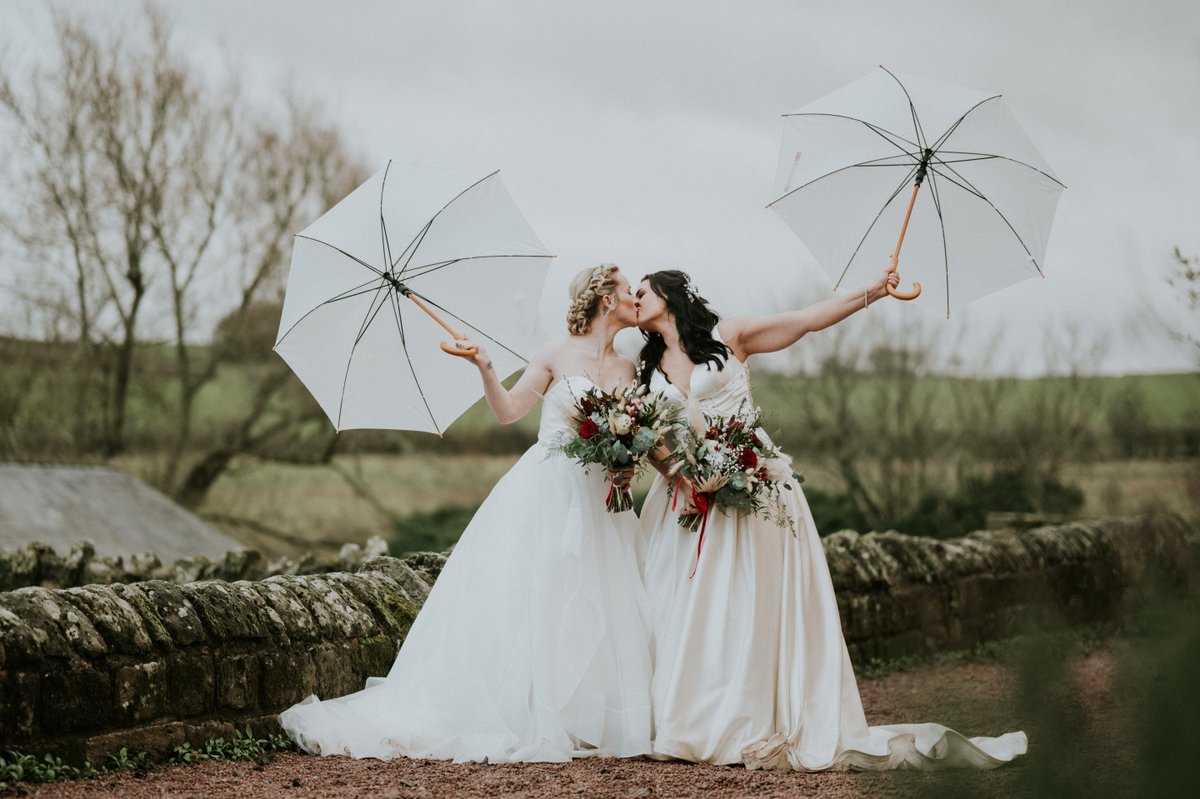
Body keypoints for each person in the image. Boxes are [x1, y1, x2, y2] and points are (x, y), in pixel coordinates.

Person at [634, 268, 1027, 771]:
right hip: (688, 503)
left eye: (641, 292)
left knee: (753, 606)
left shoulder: (727, 337)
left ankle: (752, 717)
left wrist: (874, 291)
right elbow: (653, 444)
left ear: (668, 295)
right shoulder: (644, 368)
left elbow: (806, 321)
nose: (634, 299)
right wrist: (685, 479)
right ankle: (690, 720)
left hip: (754, 487)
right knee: (693, 610)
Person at [280, 264, 653, 762]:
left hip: (601, 500)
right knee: (543, 596)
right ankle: (535, 712)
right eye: (630, 290)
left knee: (598, 598)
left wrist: (626, 467)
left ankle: (587, 715)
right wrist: (485, 367)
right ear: (607, 299)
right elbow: (509, 412)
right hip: (548, 490)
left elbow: (634, 437)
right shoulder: (554, 354)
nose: (636, 298)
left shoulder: (631, 369)